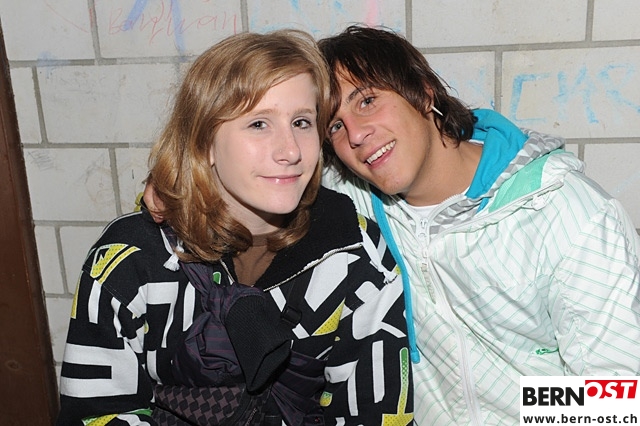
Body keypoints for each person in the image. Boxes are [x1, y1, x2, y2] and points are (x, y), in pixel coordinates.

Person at [56, 29, 414, 426]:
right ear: (205, 142)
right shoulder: (132, 258)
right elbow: (96, 412)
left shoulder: (355, 254)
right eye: (259, 124)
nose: (290, 150)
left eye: (301, 122)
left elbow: (377, 413)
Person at [316, 25, 640, 425]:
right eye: (335, 125)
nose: (356, 134)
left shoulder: (564, 212)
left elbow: (613, 398)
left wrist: (521, 409)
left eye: (367, 101)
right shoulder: (352, 203)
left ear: (423, 92)